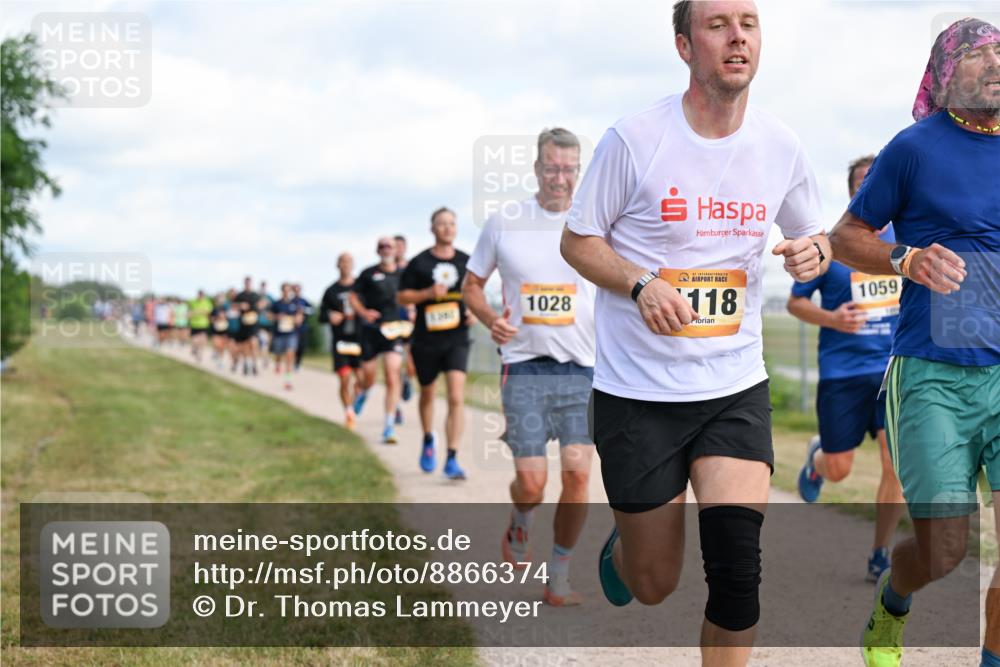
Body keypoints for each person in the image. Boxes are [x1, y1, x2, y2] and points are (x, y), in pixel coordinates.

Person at [560, 2, 830, 662]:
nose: (737, 36)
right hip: (639, 393)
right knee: (653, 583)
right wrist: (640, 283)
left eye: (749, 22)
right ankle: (627, 547)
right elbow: (577, 241)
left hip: (734, 385)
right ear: (684, 45)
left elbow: (813, 235)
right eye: (717, 24)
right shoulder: (634, 139)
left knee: (738, 573)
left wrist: (813, 254)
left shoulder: (780, 145)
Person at [828, 17, 1000, 667]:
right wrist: (904, 257)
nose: (995, 66)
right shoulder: (914, 148)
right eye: (980, 57)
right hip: (932, 371)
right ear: (946, 71)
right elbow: (847, 237)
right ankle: (893, 599)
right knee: (944, 549)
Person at [464, 127, 597, 607]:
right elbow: (472, 284)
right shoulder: (505, 222)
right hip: (523, 367)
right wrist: (488, 320)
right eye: (551, 167)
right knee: (534, 483)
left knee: (580, 472)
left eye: (568, 168)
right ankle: (521, 520)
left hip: (583, 369)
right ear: (537, 168)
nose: (559, 177)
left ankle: (558, 574)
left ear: (578, 170)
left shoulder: (596, 222)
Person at [788, 155, 904, 582]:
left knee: (896, 466)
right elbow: (796, 302)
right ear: (854, 192)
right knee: (841, 468)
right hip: (842, 373)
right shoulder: (833, 246)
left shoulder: (902, 244)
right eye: (861, 184)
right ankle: (819, 459)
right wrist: (834, 318)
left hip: (893, 371)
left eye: (877, 181)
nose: (870, 188)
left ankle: (880, 553)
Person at [399, 207, 474, 480]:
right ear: (432, 228)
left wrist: (473, 311)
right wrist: (427, 293)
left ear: (456, 228)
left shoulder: (467, 260)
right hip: (426, 340)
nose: (447, 228)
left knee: (456, 396)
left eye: (451, 223)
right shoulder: (419, 263)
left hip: (456, 339)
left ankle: (452, 457)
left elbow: (475, 290)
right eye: (441, 224)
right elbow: (402, 297)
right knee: (428, 393)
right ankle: (429, 438)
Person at [350, 237, 405, 444]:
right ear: (377, 250)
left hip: (394, 331)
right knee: (369, 378)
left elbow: (412, 296)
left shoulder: (404, 274)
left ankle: (389, 426)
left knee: (392, 376)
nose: (386, 249)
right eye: (382, 246)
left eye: (389, 246)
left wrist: (411, 310)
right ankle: (364, 392)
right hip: (371, 331)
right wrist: (363, 312)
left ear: (396, 250)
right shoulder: (368, 273)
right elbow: (353, 297)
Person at [320, 253, 365, 431]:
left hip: (359, 339)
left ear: (353, 265)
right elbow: (322, 315)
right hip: (341, 341)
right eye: (342, 262)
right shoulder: (331, 291)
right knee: (344, 379)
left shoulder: (361, 287)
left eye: (348, 262)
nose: (345, 265)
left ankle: (354, 403)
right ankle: (348, 413)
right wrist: (330, 316)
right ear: (337, 265)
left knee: (362, 381)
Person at [395, 233, 416, 424]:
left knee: (411, 364)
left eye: (401, 246)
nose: (397, 249)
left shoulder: (412, 268)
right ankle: (396, 408)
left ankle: (407, 381)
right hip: (391, 324)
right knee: (392, 366)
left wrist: (413, 309)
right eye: (395, 246)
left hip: (408, 322)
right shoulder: (385, 270)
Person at [270, 282, 302, 391]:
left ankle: (288, 381)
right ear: (282, 291)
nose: (287, 292)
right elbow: (269, 316)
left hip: (291, 334)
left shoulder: (295, 304)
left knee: (290, 355)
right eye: (285, 290)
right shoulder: (276, 304)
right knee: (278, 353)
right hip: (279, 334)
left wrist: (297, 319)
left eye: (288, 290)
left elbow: (299, 317)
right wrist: (276, 317)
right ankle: (278, 363)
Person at [234, 277, 261, 376]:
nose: (248, 285)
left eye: (249, 283)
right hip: (243, 324)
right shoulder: (240, 295)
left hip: (253, 324)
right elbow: (233, 306)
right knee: (245, 345)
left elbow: (262, 304)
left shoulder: (255, 295)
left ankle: (254, 364)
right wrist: (240, 306)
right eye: (246, 283)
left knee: (253, 343)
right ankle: (246, 363)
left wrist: (258, 307)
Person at [292, 283, 313, 371]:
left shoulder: (304, 301)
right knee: (292, 346)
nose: (297, 291)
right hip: (292, 328)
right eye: (295, 290)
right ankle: (291, 362)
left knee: (301, 346)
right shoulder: (291, 301)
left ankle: (298, 363)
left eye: (298, 289)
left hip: (303, 327)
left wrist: (303, 310)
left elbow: (312, 310)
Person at [188, 289, 214, 363]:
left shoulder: (207, 302)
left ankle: (200, 355)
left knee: (203, 341)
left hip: (204, 324)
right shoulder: (193, 302)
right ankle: (195, 349)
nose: (201, 296)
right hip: (194, 324)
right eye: (200, 295)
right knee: (195, 341)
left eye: (202, 295)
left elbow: (209, 312)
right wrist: (194, 313)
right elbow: (189, 312)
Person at [256, 280, 274, 371]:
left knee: (268, 343)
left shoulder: (270, 297)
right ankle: (265, 359)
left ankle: (265, 356)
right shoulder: (257, 297)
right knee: (264, 341)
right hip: (260, 323)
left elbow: (275, 308)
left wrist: (271, 315)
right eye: (262, 286)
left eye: (264, 286)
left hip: (269, 323)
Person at [209, 293, 230, 369]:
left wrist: (224, 317)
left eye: (222, 299)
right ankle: (216, 352)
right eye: (219, 299)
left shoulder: (227, 309)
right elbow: (211, 320)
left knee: (222, 347)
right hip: (216, 330)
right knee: (216, 344)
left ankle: (221, 361)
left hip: (224, 330)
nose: (220, 300)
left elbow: (230, 318)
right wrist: (217, 318)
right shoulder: (214, 309)